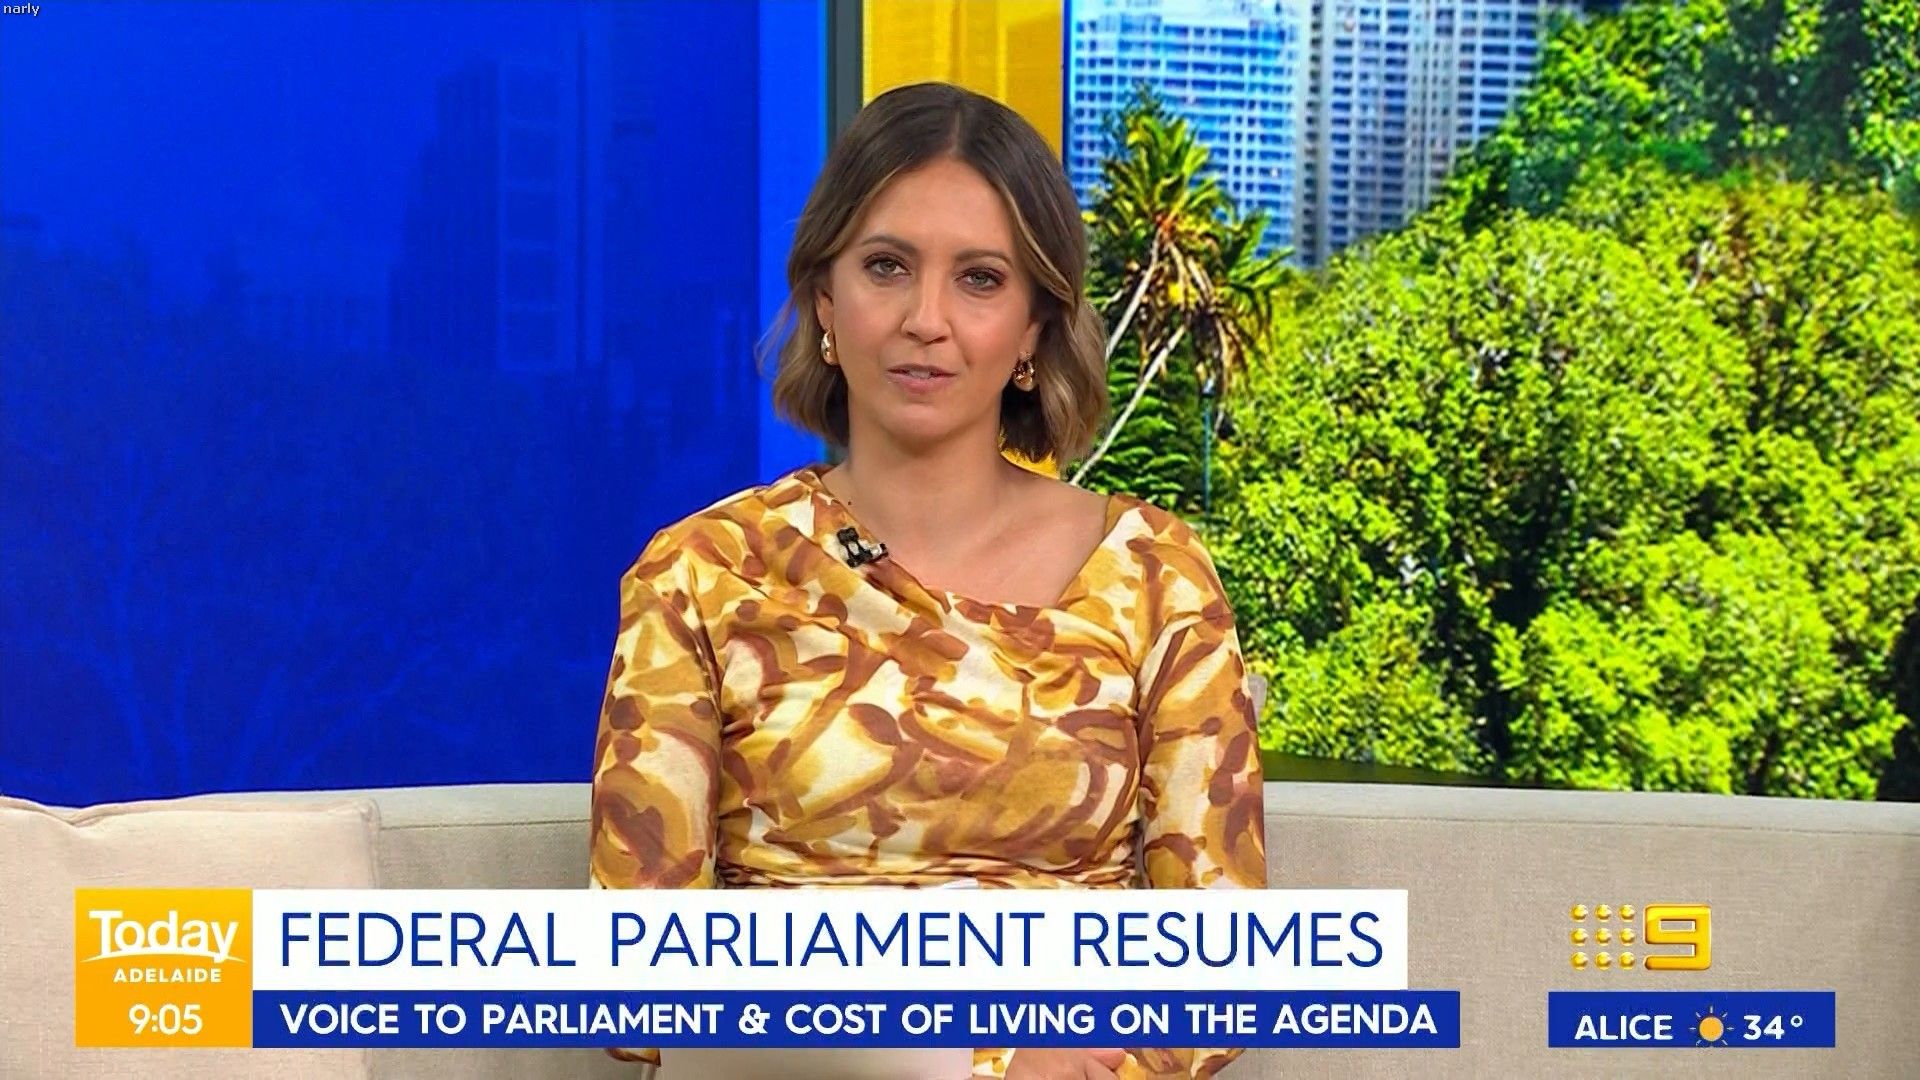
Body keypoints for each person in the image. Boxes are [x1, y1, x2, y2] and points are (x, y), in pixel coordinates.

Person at [589, 81, 1267, 1079]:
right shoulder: (701, 574)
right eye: (887, 267)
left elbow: (1226, 965)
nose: (926, 319)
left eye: (981, 279)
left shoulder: (1156, 576)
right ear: (826, 300)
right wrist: (961, 1060)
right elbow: (636, 981)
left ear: (1034, 328)